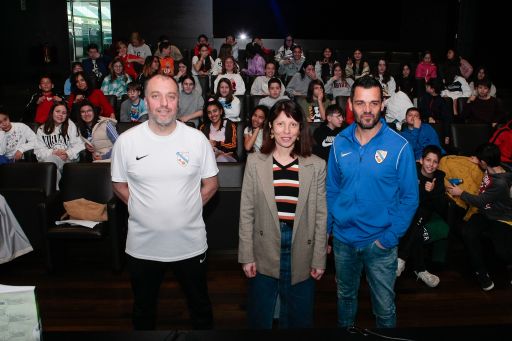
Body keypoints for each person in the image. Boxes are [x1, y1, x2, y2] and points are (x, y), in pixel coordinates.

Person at [111, 74, 219, 330]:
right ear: (145, 101)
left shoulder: (197, 140)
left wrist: (187, 208)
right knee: (143, 311)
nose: (164, 103)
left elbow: (211, 184)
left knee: (201, 309)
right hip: (142, 246)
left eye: (171, 96)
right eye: (156, 96)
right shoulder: (126, 142)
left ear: (178, 101)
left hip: (190, 245)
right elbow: (118, 185)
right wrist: (144, 209)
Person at [326, 76, 419, 328]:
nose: (367, 110)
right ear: (351, 106)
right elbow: (332, 190)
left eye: (373, 103)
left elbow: (410, 198)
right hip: (344, 241)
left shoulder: (400, 146)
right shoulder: (339, 143)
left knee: (384, 308)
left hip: (380, 243)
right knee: (345, 299)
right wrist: (328, 232)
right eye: (360, 103)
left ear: (383, 105)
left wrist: (389, 238)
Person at [238, 99, 327, 328]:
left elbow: (320, 215)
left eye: (292, 125)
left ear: (300, 130)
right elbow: (246, 212)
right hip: (264, 246)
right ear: (271, 128)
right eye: (280, 124)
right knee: (261, 315)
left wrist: (319, 257)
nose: (286, 131)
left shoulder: (316, 165)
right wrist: (246, 255)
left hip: (302, 247)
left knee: (298, 316)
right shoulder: (255, 162)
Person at [447, 143, 512, 291]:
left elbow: (480, 201)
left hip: (500, 217)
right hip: (484, 212)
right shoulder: (494, 167)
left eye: (479, 159)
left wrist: (460, 193)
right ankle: (481, 272)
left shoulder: (500, 182)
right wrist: (479, 162)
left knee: (502, 252)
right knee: (468, 233)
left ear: (485, 162)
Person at [396, 145, 450, 287]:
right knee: (417, 228)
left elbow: (441, 207)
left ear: (438, 164)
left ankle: (401, 258)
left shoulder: (439, 177)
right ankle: (421, 270)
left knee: (420, 213)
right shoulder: (411, 171)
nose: (431, 165)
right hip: (407, 209)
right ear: (421, 160)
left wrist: (431, 192)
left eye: (435, 162)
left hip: (425, 212)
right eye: (428, 160)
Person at [34, 102, 84, 180]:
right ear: (52, 113)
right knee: (51, 163)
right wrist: (53, 153)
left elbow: (80, 145)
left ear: (67, 115)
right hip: (49, 162)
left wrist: (67, 153)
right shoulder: (41, 129)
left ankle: (50, 191)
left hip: (67, 162)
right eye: (57, 111)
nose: (60, 115)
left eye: (64, 113)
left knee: (50, 165)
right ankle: (55, 190)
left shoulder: (71, 126)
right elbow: (38, 152)